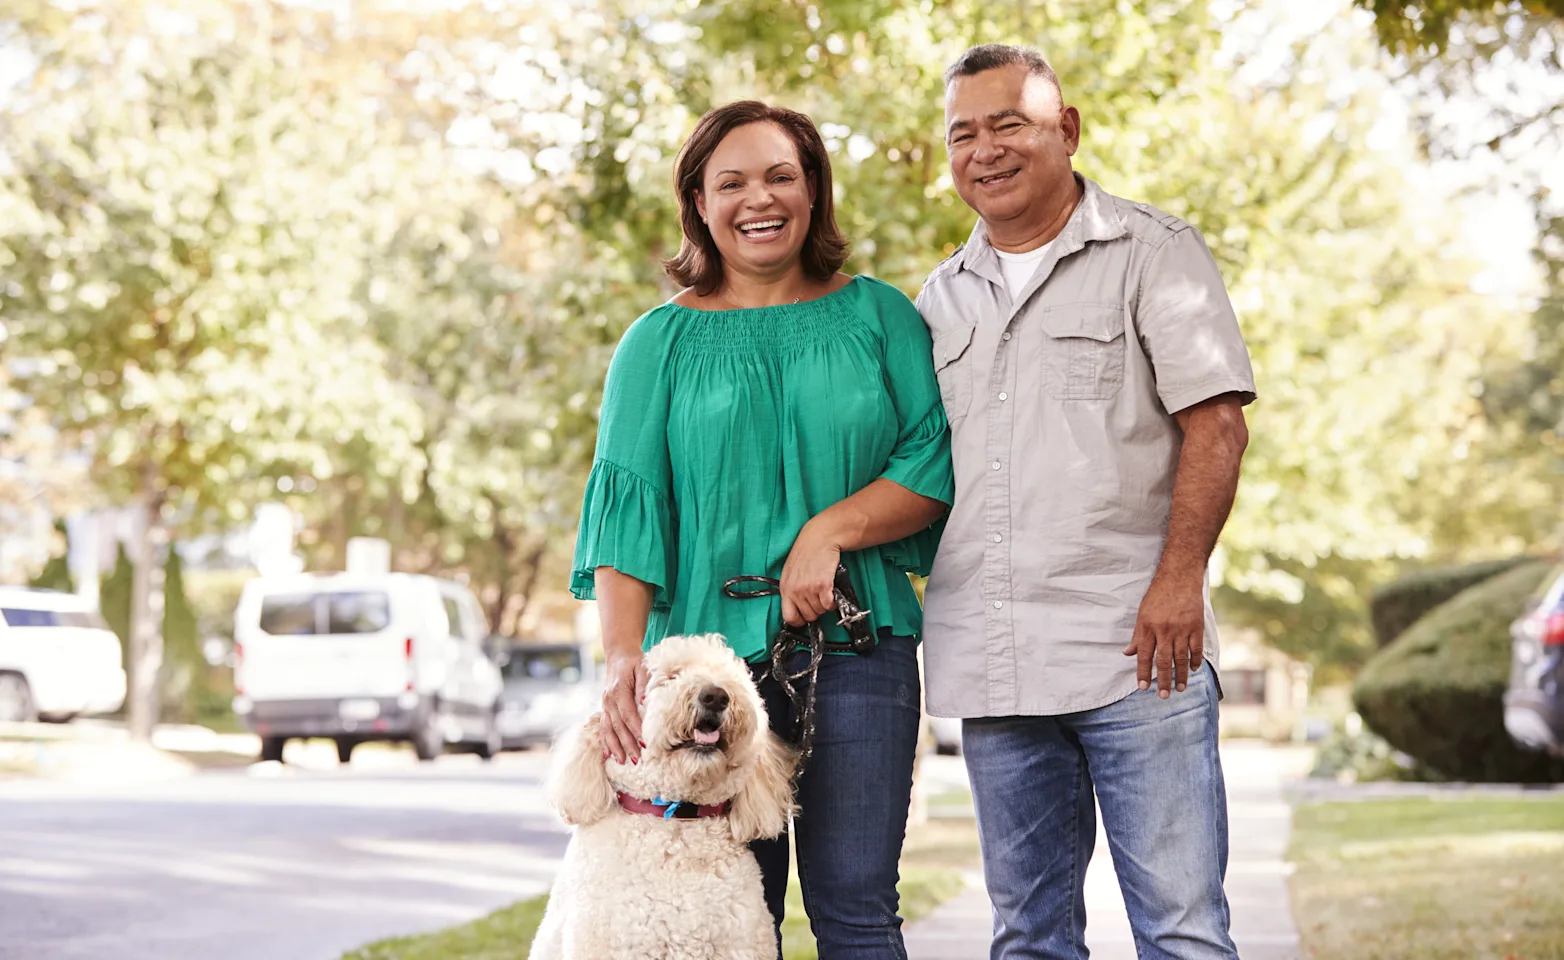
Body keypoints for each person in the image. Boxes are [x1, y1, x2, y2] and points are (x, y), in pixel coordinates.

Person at [570, 99, 954, 958]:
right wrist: (625, 659)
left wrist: (831, 530)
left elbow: (931, 465)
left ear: (813, 191)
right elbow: (631, 507)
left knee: (857, 910)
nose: (759, 199)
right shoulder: (655, 344)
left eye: (782, 176)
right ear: (699, 203)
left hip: (858, 653)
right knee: (732, 912)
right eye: (731, 182)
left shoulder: (880, 317)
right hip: (706, 672)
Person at [916, 45, 1257, 960]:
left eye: (1008, 124)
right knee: (1027, 938)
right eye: (963, 134)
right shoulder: (939, 301)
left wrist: (1180, 579)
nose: (984, 149)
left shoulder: (1154, 253)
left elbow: (1217, 426)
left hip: (1137, 655)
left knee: (1182, 931)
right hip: (995, 667)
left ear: (1066, 131)